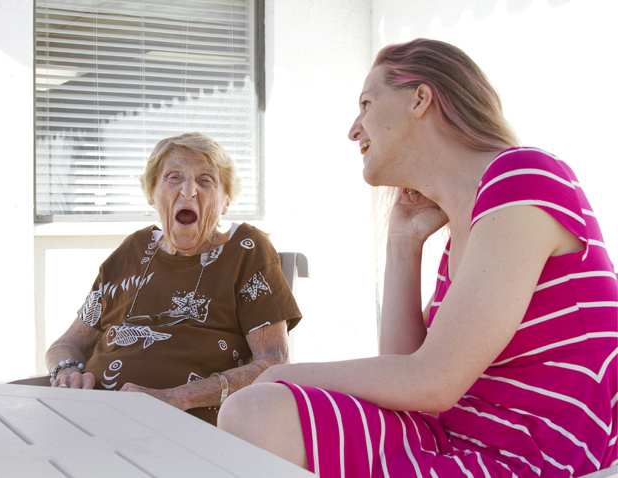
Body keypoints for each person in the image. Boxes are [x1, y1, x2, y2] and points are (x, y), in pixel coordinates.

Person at [217, 39, 618, 476]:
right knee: (257, 414)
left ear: (420, 99)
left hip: (534, 457)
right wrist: (402, 245)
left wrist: (280, 374)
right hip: (451, 439)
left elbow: (431, 383)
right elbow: (404, 379)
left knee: (254, 407)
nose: (354, 130)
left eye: (367, 104)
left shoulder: (524, 178)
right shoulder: (469, 227)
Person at [46, 132, 301, 425]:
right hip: (95, 418)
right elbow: (66, 345)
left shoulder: (246, 250)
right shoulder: (131, 251)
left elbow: (273, 362)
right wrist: (67, 372)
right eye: (173, 177)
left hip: (189, 431)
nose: (189, 191)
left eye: (206, 180)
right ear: (152, 193)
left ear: (225, 201)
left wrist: (179, 397)